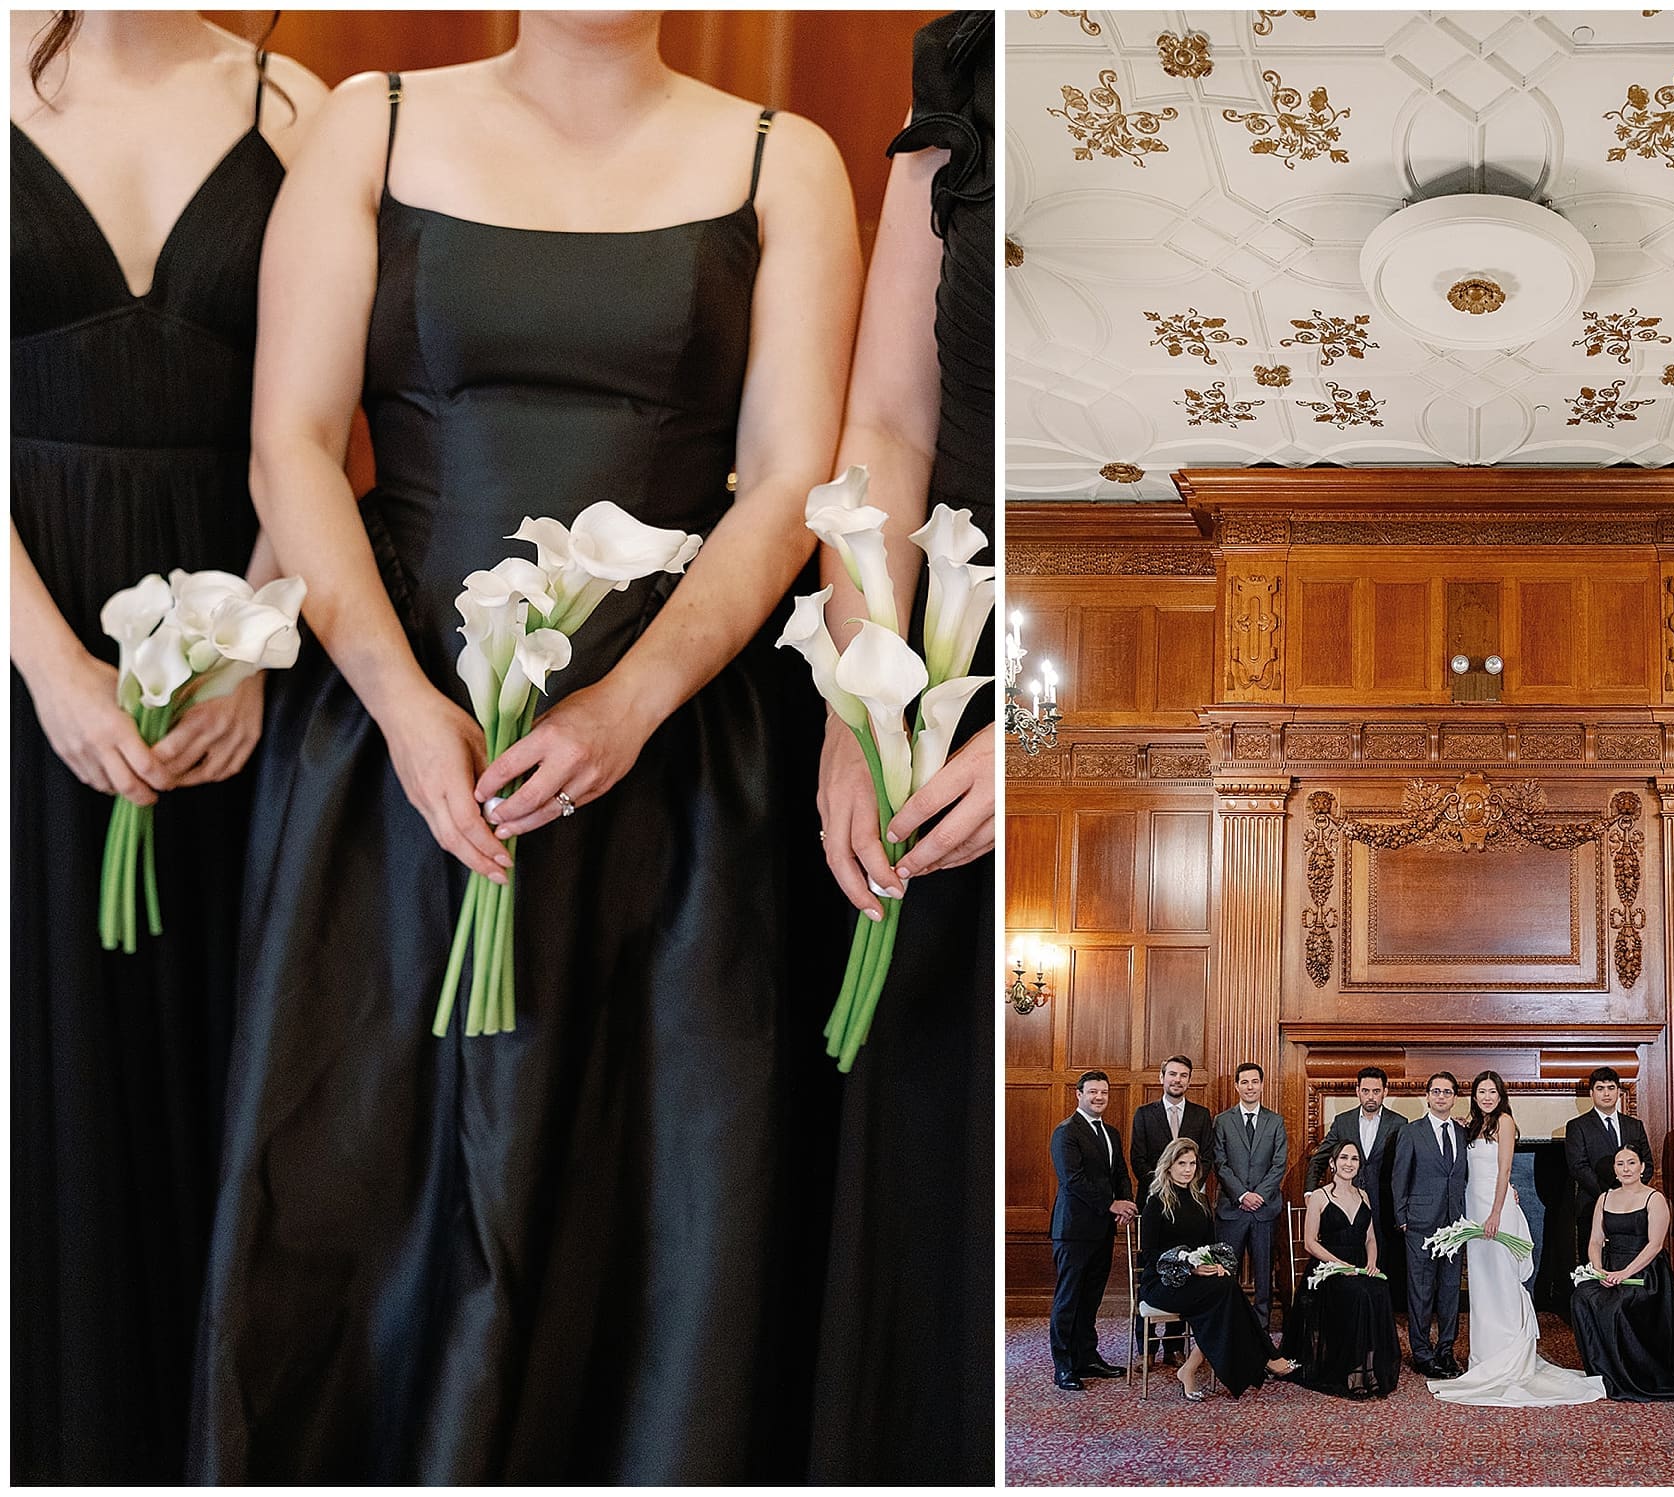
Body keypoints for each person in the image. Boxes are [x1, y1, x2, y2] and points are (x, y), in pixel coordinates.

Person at [188, 13, 862, 1482]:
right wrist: (401, 702)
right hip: (388, 745)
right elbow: (291, 443)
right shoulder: (366, 119)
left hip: (676, 760)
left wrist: (631, 702)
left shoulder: (783, 159)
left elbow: (789, 483)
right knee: (359, 1189)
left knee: (642, 1210)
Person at [10, 11, 325, 1482]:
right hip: (23, 623)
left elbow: (309, 430)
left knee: (219, 1064)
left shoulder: (296, 103)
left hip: (232, 656)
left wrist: (253, 643)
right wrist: (53, 667)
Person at [803, 12, 992, 1482]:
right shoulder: (967, 65)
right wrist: (857, 700)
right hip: (936, 666)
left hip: (1087, 665)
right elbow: (886, 419)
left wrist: (1051, 725)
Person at [1430, 1071, 1604, 1407]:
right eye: (1481, 1091)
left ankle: (1509, 1356)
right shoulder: (1470, 1125)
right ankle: (1485, 1357)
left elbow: (1505, 1170)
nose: (1486, 1097)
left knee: (1503, 1280)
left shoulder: (1505, 1122)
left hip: (1496, 1210)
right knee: (1482, 1284)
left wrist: (1496, 1212)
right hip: (1472, 1208)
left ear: (1501, 1095)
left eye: (1492, 1092)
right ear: (1474, 1095)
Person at [1140, 1138, 1300, 1400]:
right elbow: (1150, 1255)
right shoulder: (1156, 1203)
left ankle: (1190, 1369)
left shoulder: (1200, 1201)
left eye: (1192, 1163)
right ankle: (1268, 1356)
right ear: (1168, 1166)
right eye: (1181, 1164)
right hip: (1162, 1283)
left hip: (1196, 1281)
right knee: (1225, 1295)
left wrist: (1215, 1265)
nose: (1188, 1169)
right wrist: (1190, 1268)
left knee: (1225, 1288)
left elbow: (1209, 1246)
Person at [1570, 1146, 1674, 1401]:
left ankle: (1632, 1375)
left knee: (1618, 1305)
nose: (1626, 1168)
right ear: (1615, 1170)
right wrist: (1597, 1269)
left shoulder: (1655, 1198)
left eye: (1631, 1163)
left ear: (1642, 1167)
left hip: (1645, 1272)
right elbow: (1595, 1240)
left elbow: (1655, 1245)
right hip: (1608, 1267)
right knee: (1582, 1297)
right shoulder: (1604, 1198)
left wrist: (1624, 1273)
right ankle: (1604, 1372)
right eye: (1620, 1164)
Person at [1281, 1139, 1400, 1398]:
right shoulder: (1319, 1196)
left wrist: (1372, 1261)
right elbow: (1310, 1243)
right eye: (1344, 1158)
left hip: (1360, 1263)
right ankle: (1353, 1370)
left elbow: (1370, 1237)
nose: (1349, 1163)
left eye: (1354, 1159)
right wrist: (1338, 1265)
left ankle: (1371, 1367)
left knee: (1378, 1290)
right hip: (1328, 1267)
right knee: (1358, 1294)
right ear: (1333, 1164)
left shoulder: (1364, 1195)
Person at [1049, 1071, 1138, 1392]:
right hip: (1073, 1230)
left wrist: (1126, 1202)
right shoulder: (1066, 1133)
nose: (1099, 1097)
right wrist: (1112, 1204)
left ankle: (1086, 1356)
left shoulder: (1111, 1133)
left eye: (1104, 1092)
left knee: (1091, 1299)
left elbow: (1120, 1173)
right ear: (1079, 1094)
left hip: (1102, 1230)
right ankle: (1064, 1365)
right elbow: (1073, 1180)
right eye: (1093, 1092)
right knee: (1068, 1299)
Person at [1305, 1066, 1410, 1309]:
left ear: (1385, 1092)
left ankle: (1379, 1322)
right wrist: (1310, 1192)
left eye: (1376, 1091)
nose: (1370, 1096)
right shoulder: (1343, 1121)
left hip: (1384, 1207)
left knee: (1382, 1266)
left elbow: (1406, 1167)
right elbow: (1320, 1157)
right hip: (1345, 1203)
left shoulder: (1399, 1123)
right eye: (1365, 1091)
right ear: (1357, 1091)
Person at [1392, 1071, 1468, 1377]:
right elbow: (1399, 1177)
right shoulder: (1411, 1132)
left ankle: (1446, 1350)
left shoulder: (1463, 1133)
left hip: (1455, 1224)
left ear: (1454, 1097)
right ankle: (1422, 1353)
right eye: (1436, 1091)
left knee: (1451, 1290)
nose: (1441, 1096)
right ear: (1427, 1095)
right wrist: (1402, 1220)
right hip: (1420, 1224)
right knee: (1421, 1291)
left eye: (1447, 1092)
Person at [1213, 1060, 1287, 1334]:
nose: (1250, 1086)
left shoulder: (1275, 1121)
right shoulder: (1222, 1121)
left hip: (1264, 1211)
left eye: (1254, 1081)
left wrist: (1258, 1196)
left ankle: (1262, 1330)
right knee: (1225, 1274)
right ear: (1236, 1086)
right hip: (1232, 1210)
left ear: (1262, 1085)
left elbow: (1279, 1164)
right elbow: (1219, 1163)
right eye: (1244, 1082)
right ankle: (1227, 1328)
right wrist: (1242, 1194)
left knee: (1264, 1275)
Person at [1563, 1065, 1654, 1268]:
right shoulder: (1578, 1126)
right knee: (1595, 1267)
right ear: (1591, 1093)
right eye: (1600, 1088)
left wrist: (1630, 1194)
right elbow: (1578, 1166)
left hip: (1634, 1209)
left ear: (1619, 1091)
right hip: (1593, 1204)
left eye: (1611, 1087)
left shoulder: (1634, 1125)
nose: (1606, 1093)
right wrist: (1609, 1197)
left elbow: (1646, 1164)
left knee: (1631, 1265)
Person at [1132, 1054, 1215, 1190]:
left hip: (1191, 1194)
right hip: (1153, 1193)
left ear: (1189, 1081)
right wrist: (1162, 1186)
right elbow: (1138, 1159)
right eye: (1172, 1074)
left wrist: (1188, 1187)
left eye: (1183, 1075)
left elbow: (1206, 1158)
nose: (1177, 1080)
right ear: (1161, 1077)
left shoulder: (1201, 1114)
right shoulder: (1144, 1114)